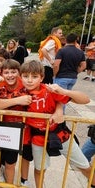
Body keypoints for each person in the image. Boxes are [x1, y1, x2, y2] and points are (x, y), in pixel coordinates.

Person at [20, 59, 95, 188]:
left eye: (34, 76)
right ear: (21, 77)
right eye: (26, 76)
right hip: (37, 138)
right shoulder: (19, 93)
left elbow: (85, 99)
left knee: (84, 166)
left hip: (60, 134)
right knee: (39, 169)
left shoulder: (49, 90)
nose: (30, 80)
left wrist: (63, 91)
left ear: (42, 77)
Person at [0, 59, 33, 186]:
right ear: (2, 74)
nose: (10, 75)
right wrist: (18, 100)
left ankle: (11, 183)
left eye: (13, 72)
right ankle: (2, 180)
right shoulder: (0, 85)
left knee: (12, 163)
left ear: (19, 73)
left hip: (20, 131)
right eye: (7, 72)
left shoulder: (25, 85)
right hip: (3, 129)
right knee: (1, 160)